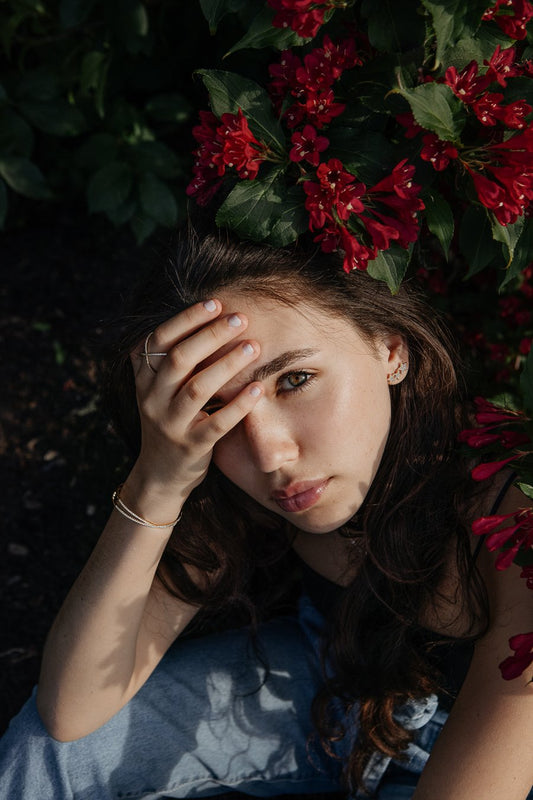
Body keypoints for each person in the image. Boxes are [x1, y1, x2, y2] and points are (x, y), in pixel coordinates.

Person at [0, 221, 532, 800]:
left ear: (390, 348)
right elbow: (69, 714)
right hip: (324, 687)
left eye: (296, 379)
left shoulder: (512, 519)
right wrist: (160, 478)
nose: (270, 453)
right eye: (217, 406)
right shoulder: (222, 469)